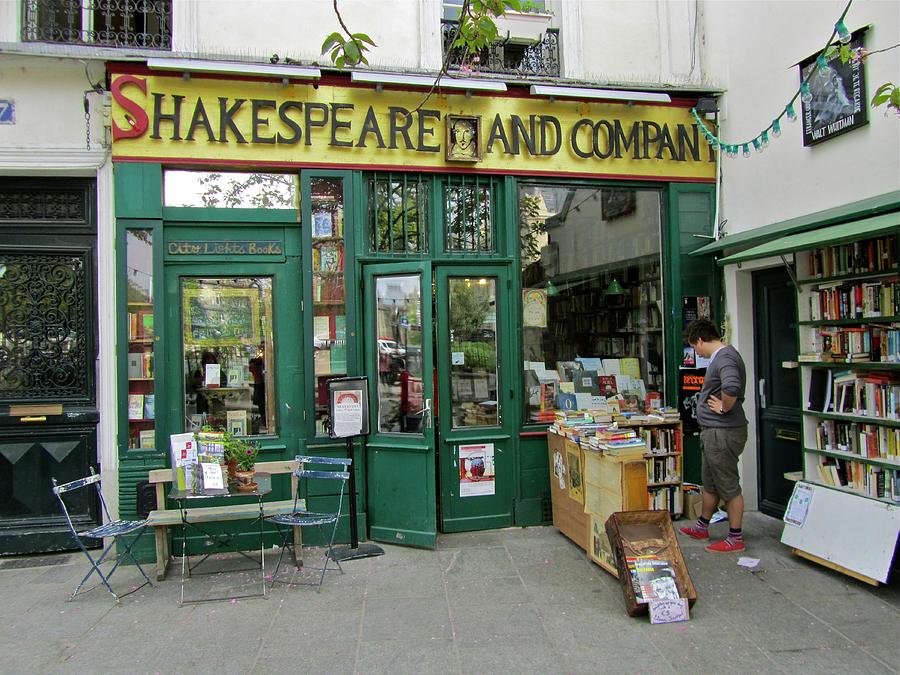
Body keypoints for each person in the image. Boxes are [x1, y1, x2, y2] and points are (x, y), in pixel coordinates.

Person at [679, 319, 749, 553]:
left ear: (700, 340)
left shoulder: (725, 358)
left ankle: (735, 537)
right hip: (715, 432)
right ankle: (702, 526)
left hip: (723, 432)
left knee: (728, 485)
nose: (695, 351)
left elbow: (731, 385)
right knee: (710, 482)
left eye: (694, 346)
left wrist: (724, 407)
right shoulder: (723, 357)